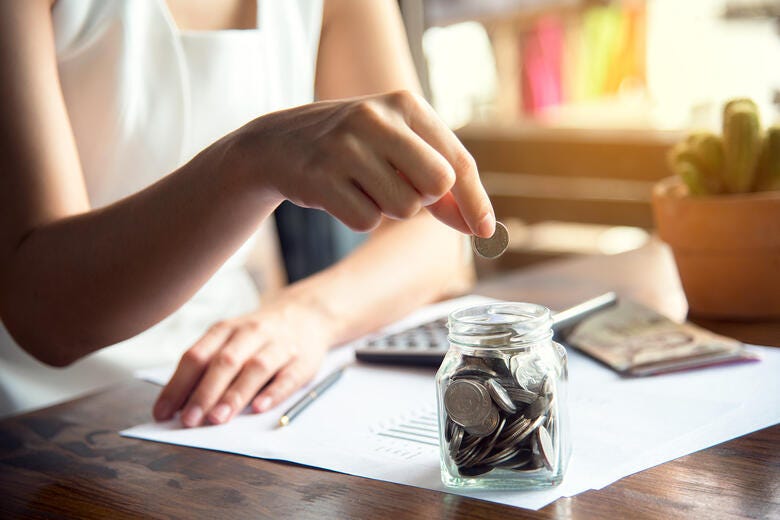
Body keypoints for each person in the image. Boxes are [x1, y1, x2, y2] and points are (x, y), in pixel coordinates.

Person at [0, 0, 495, 426]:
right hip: (40, 416)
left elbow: (439, 233)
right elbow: (44, 319)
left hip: (227, 390)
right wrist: (250, 162)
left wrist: (306, 316)